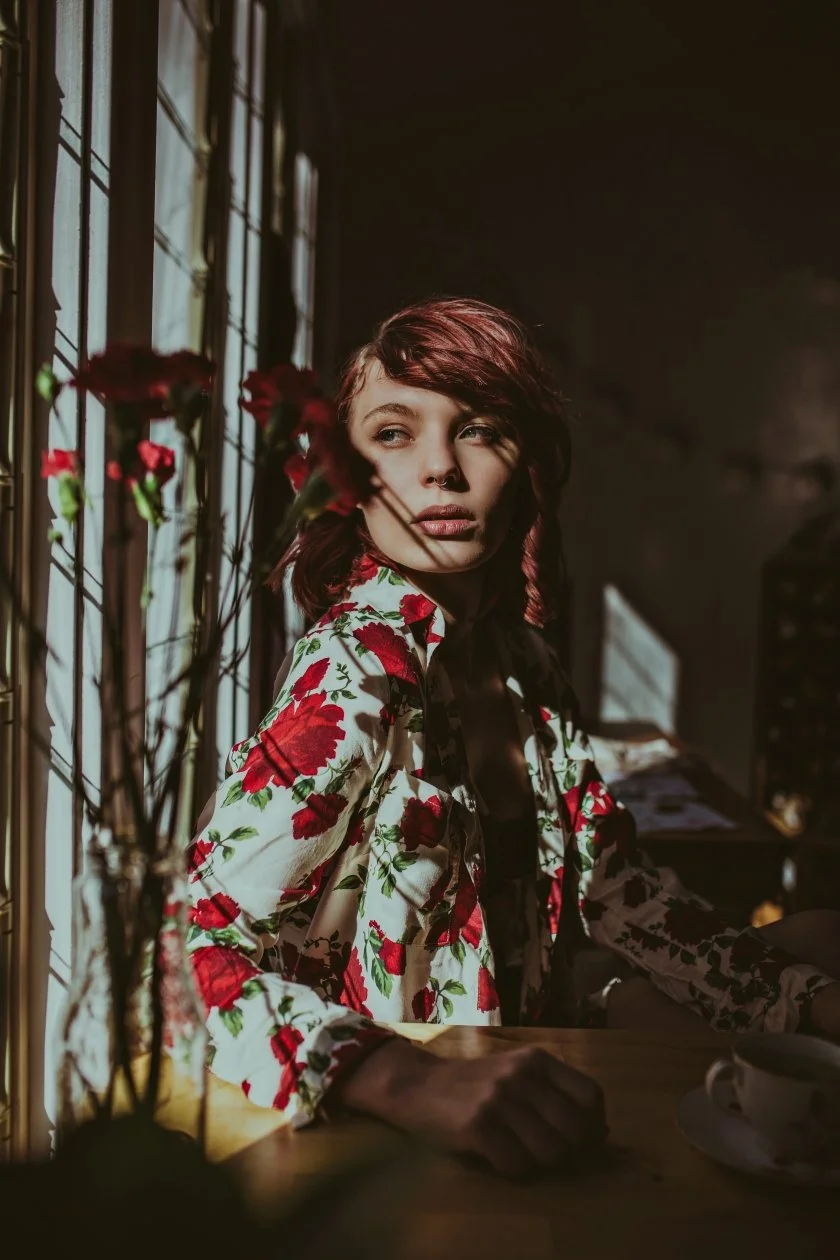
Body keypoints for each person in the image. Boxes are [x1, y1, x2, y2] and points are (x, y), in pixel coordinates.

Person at [187, 297, 840, 1179]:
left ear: (525, 461)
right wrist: (403, 1081)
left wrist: (800, 1002)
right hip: (380, 1155)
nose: (440, 471)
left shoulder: (524, 658)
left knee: (815, 942)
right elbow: (182, 964)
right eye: (393, 433)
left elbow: (619, 894)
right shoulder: (355, 671)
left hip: (529, 1097)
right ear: (341, 472)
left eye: (481, 430)